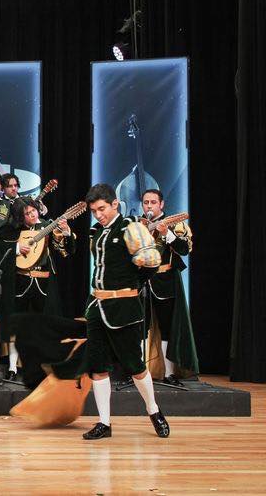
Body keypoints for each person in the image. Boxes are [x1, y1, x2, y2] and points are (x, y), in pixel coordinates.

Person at [80, 183, 169, 440]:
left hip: (124, 307)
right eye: (94, 211)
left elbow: (151, 264)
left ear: (115, 204)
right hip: (97, 306)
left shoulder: (130, 227)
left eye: (102, 209)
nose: (98, 215)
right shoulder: (97, 232)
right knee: (98, 366)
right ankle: (104, 423)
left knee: (134, 365)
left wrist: (134, 284)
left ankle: (153, 411)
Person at [0, 196, 74, 381]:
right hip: (20, 282)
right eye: (27, 214)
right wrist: (16, 247)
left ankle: (43, 365)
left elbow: (64, 251)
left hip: (44, 283)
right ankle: (13, 367)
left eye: (33, 211)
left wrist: (66, 233)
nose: (32, 216)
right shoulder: (12, 231)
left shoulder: (47, 226)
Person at [139, 189, 199, 384]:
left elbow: (184, 249)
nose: (149, 206)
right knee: (140, 327)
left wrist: (167, 234)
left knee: (167, 327)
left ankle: (168, 373)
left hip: (165, 281)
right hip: (141, 282)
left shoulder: (175, 223)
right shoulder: (137, 224)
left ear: (161, 205)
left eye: (153, 202)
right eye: (146, 202)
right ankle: (141, 372)